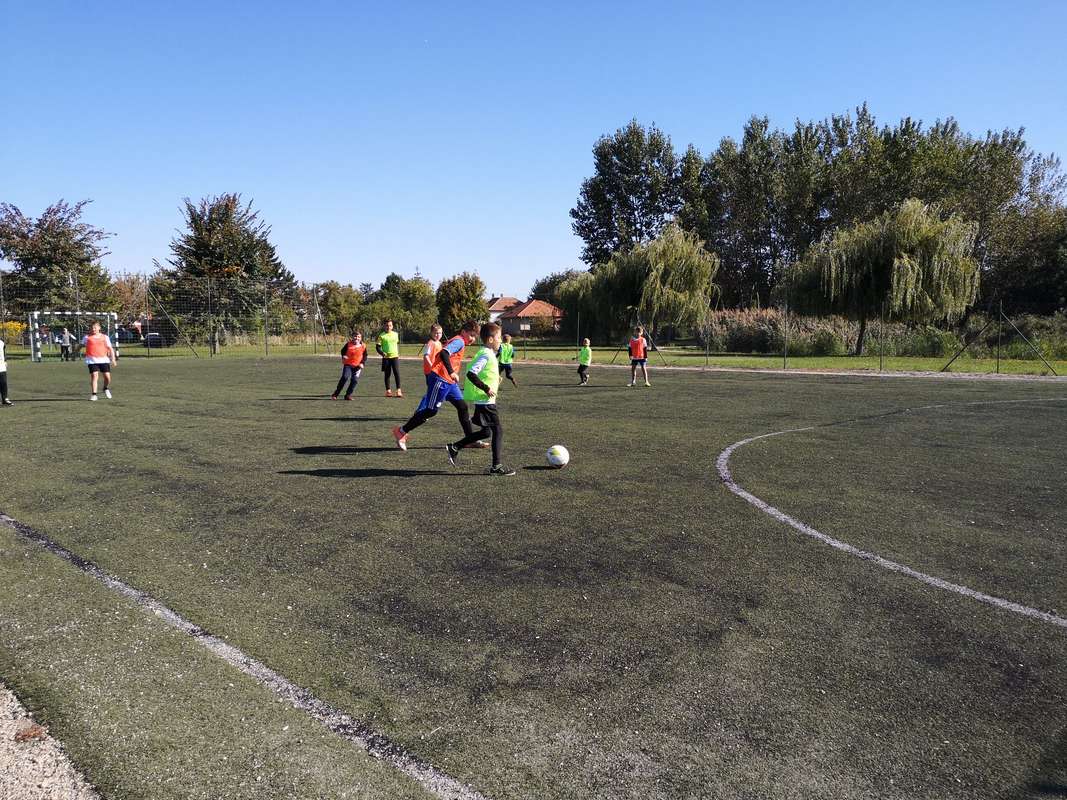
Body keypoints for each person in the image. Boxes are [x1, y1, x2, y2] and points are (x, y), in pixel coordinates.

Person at [392, 321, 487, 451]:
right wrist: (451, 372)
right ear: (463, 332)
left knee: (462, 407)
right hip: (440, 379)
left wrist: (451, 374)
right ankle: (401, 431)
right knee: (431, 411)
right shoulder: (459, 341)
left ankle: (469, 440)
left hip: (450, 382)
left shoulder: (460, 341)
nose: (473, 339)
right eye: (471, 335)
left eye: (475, 336)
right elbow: (444, 353)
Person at [446, 322, 515, 476]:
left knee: (486, 432)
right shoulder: (486, 354)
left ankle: (455, 447)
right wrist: (486, 388)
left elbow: (485, 373)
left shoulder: (489, 353)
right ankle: (496, 466)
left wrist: (495, 380)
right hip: (485, 401)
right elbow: (471, 373)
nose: (500, 340)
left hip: (484, 401)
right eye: (498, 337)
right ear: (490, 340)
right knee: (498, 431)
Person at [82, 321, 116, 401]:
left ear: (99, 328)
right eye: (92, 328)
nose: (93, 329)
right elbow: (81, 345)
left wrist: (113, 359)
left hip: (104, 360)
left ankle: (105, 388)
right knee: (94, 375)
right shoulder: (87, 337)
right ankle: (94, 395)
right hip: (92, 361)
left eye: (95, 327)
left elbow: (110, 348)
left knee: (107, 377)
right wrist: (74, 353)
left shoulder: (105, 337)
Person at [331, 331, 367, 400]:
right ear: (352, 337)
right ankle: (335, 394)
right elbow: (342, 351)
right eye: (355, 336)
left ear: (361, 338)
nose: (357, 338)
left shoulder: (363, 346)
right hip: (348, 364)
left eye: (359, 337)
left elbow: (365, 355)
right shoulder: (348, 344)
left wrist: (362, 363)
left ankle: (348, 395)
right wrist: (344, 356)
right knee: (345, 377)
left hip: (358, 366)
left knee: (354, 380)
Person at [376, 319, 402, 397]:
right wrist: (382, 353)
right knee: (387, 374)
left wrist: (396, 352)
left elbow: (396, 344)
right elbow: (377, 347)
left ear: (392, 326)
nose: (388, 327)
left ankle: (398, 391)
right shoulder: (381, 336)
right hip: (386, 358)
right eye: (387, 325)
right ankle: (388, 391)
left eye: (390, 325)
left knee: (397, 373)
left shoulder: (396, 334)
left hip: (395, 357)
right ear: (384, 326)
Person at [0, 335, 12, 406]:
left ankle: (5, 399)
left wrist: (5, 361)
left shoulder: (1, 342)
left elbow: (4, 352)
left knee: (3, 382)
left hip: (1, 365)